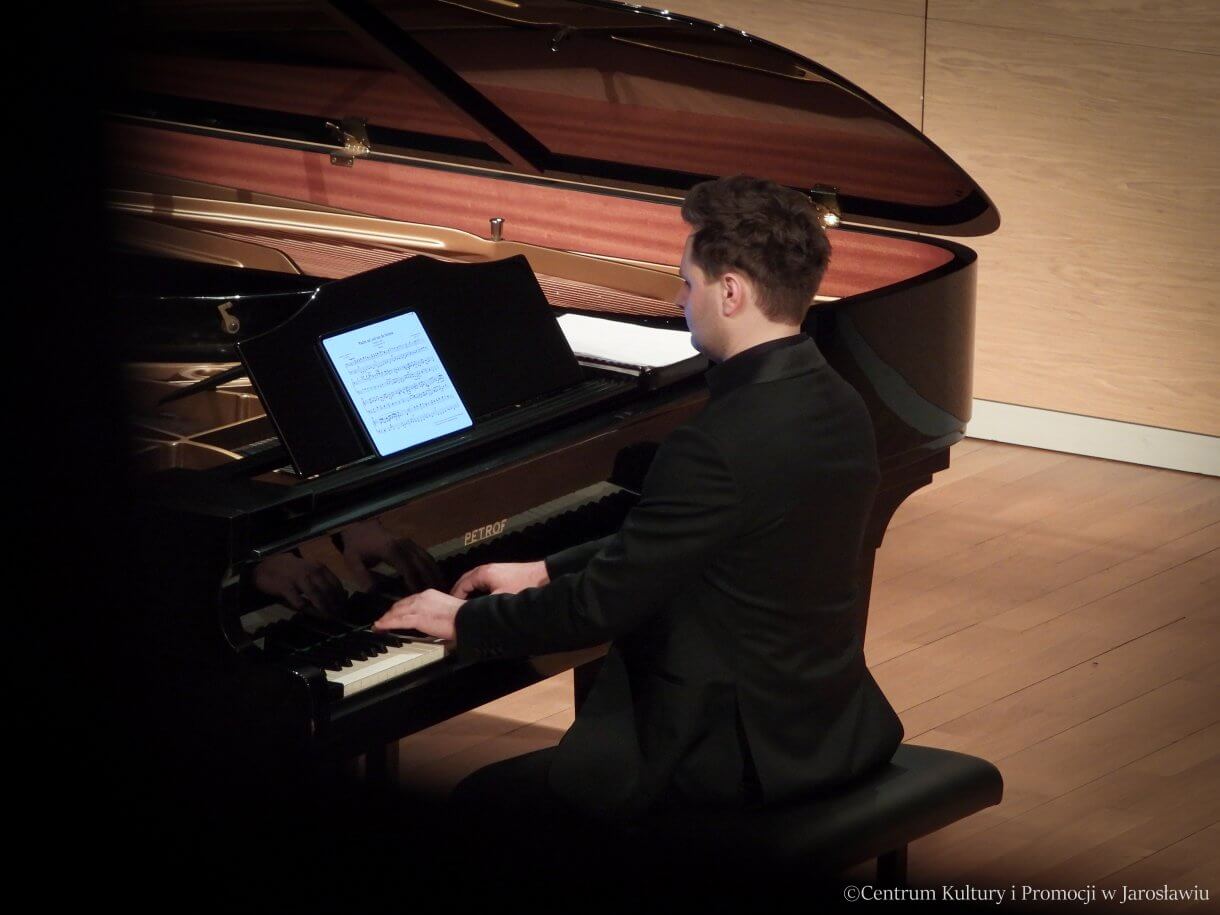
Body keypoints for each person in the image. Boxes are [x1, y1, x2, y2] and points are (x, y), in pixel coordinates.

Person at [373, 174, 903, 828]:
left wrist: (462, 622)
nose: (683, 300)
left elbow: (603, 606)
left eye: (689, 283)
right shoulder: (838, 400)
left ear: (731, 291)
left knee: (480, 801)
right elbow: (701, 547)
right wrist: (548, 568)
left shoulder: (715, 444)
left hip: (725, 759)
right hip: (822, 729)